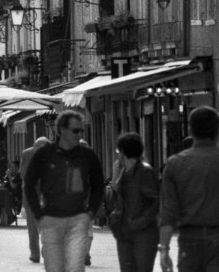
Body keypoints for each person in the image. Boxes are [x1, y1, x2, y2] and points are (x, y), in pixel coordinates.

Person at [24, 110, 104, 272]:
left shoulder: (88, 155)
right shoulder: (45, 154)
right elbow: (29, 184)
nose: (79, 135)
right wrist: (38, 214)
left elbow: (98, 185)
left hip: (78, 219)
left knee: (75, 266)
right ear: (61, 130)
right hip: (51, 219)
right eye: (75, 130)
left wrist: (91, 212)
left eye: (81, 130)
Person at [159, 106, 219, 272]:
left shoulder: (174, 164)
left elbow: (168, 212)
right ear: (217, 130)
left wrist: (164, 249)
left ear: (191, 131)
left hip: (189, 239)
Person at [109, 132, 158, 272]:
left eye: (118, 151)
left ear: (123, 152)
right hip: (123, 231)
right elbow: (116, 198)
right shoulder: (123, 170)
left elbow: (157, 201)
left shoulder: (145, 171)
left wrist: (141, 221)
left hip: (143, 234)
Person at [20, 136, 50, 263]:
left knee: (32, 224)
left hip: (30, 191)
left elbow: (22, 175)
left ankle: (34, 253)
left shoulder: (26, 153)